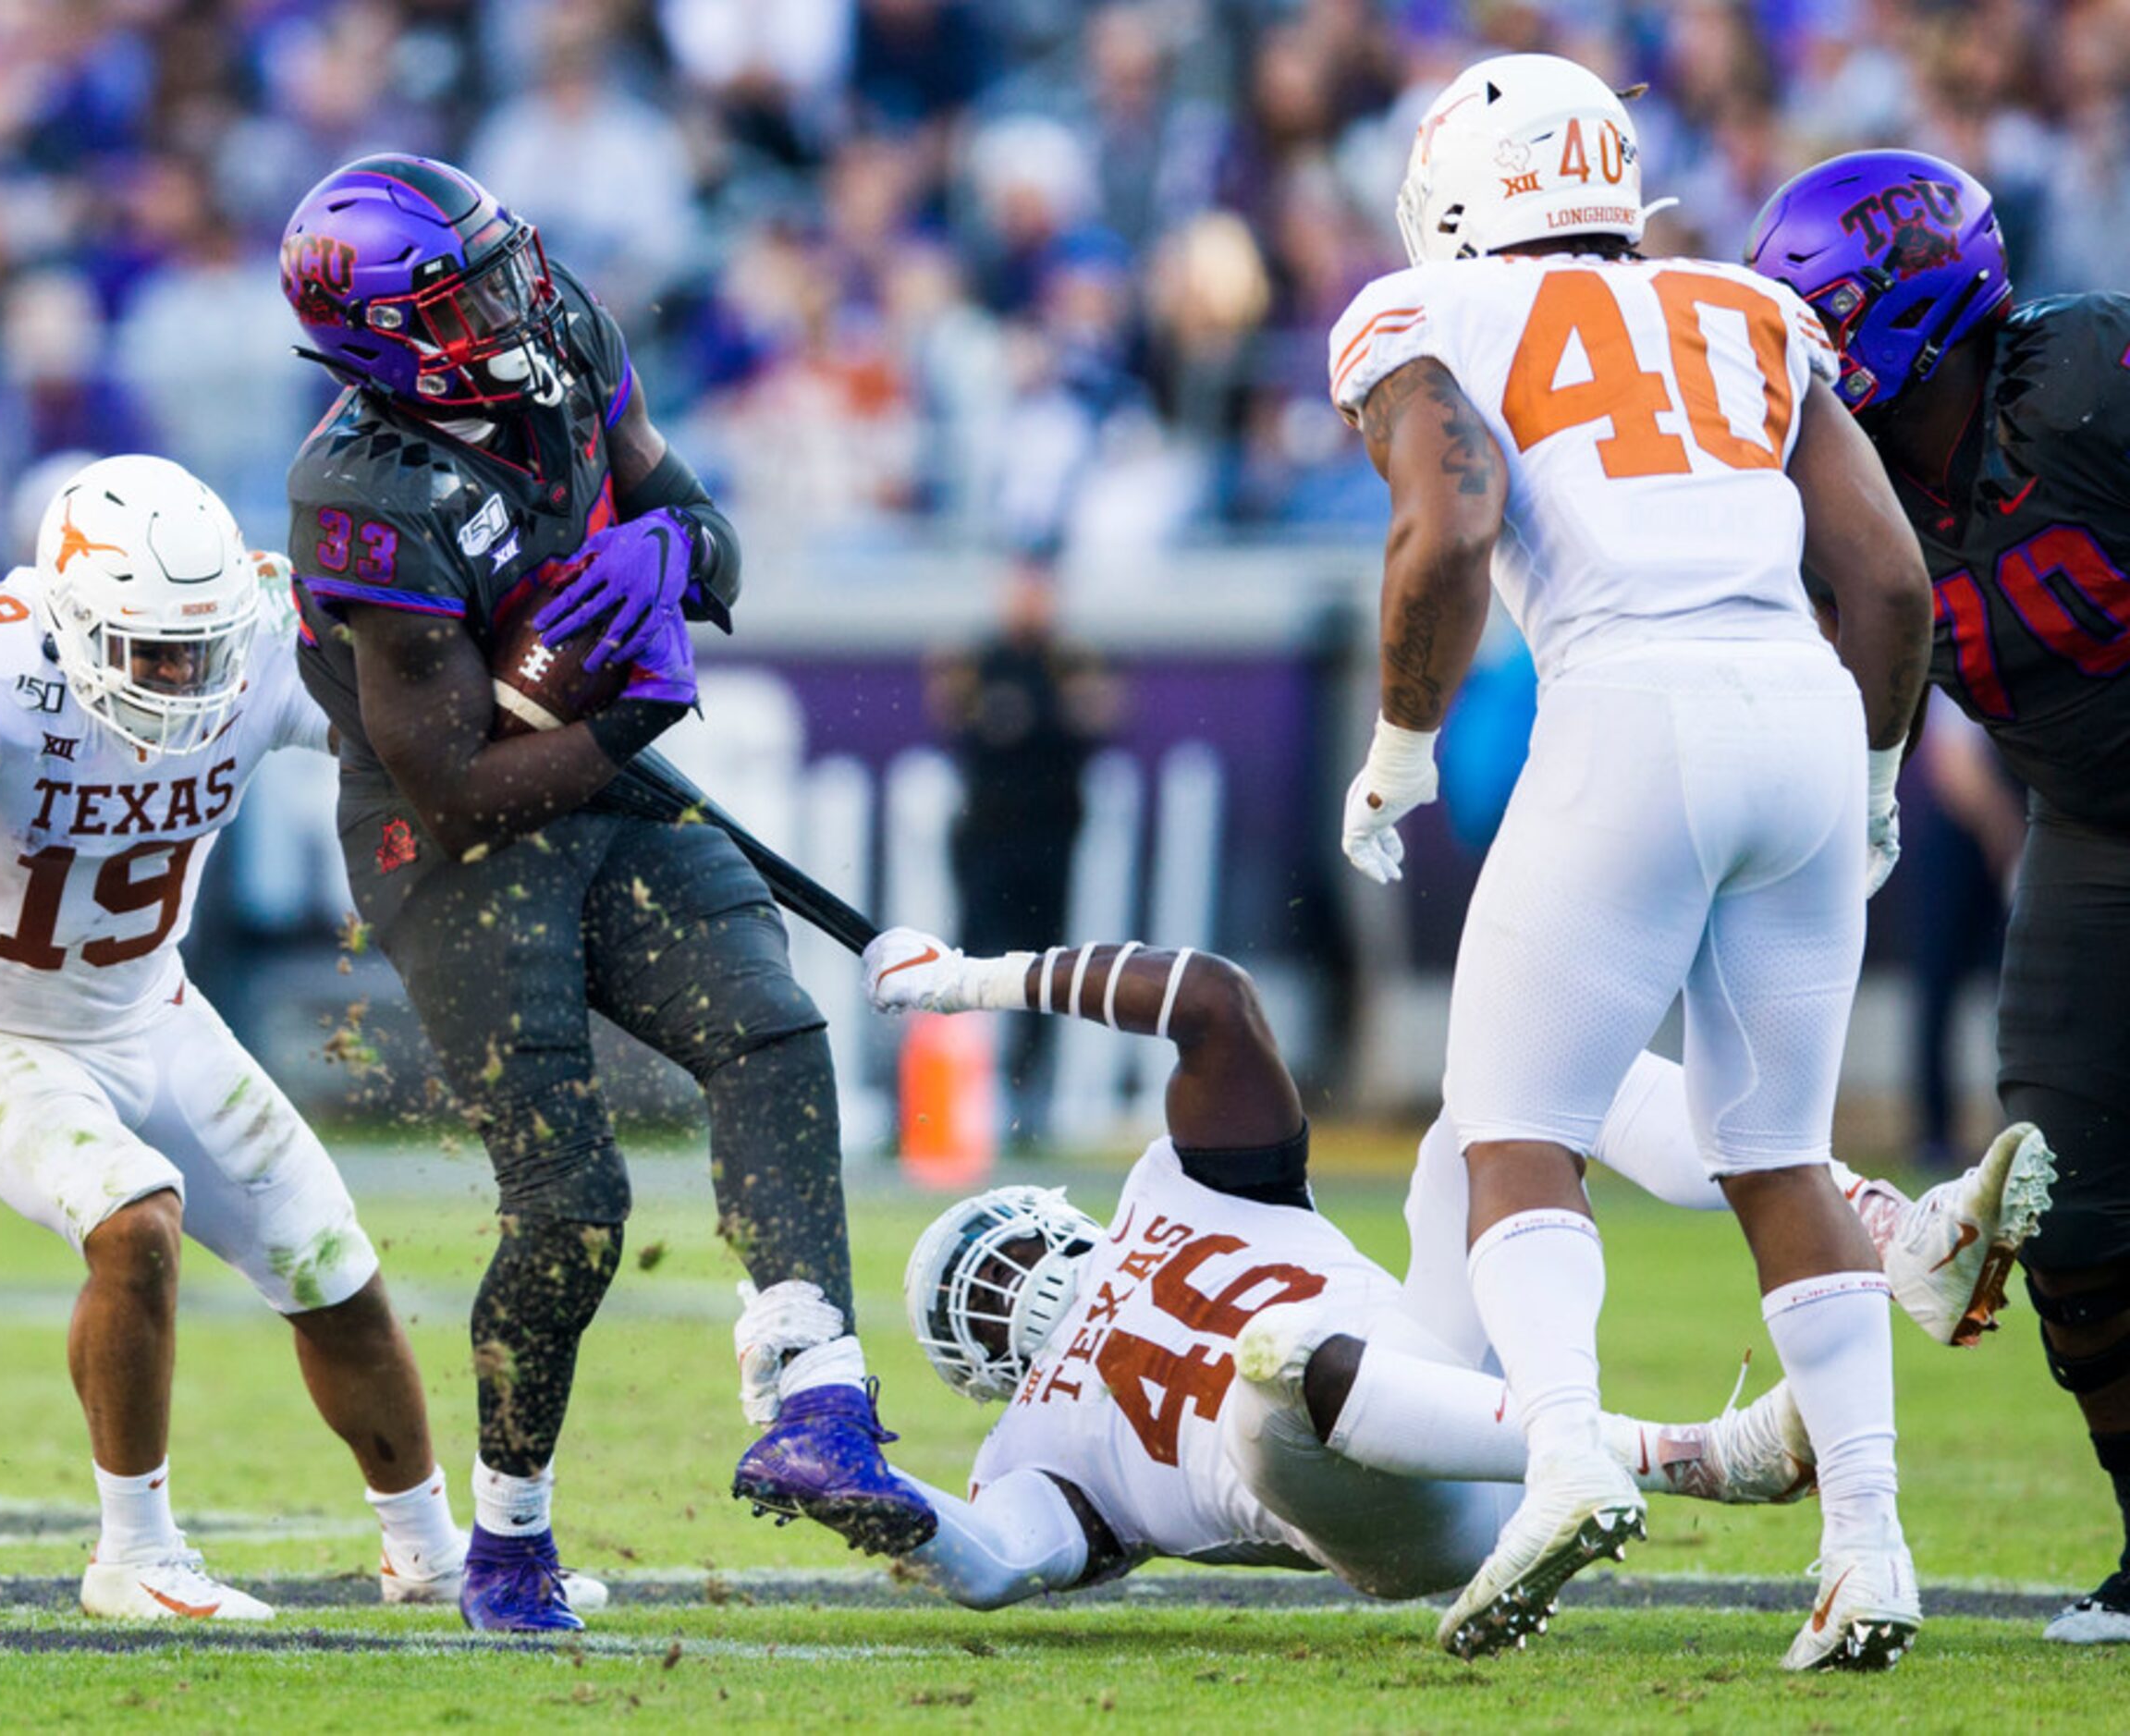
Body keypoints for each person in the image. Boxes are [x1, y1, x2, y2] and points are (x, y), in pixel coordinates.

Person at [1327, 56, 1938, 1668]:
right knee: (1778, 1151)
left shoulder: (1423, 309)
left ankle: (1569, 1447)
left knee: (1513, 1125)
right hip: (1802, 711)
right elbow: (1884, 581)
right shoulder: (1748, 305)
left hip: (1630, 703)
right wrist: (1872, 774)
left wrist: (1397, 746)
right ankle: (1869, 1544)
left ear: (1462, 193)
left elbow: (1448, 527)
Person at [276, 154, 930, 1633]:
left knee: (768, 1030)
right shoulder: (363, 493)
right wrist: (635, 711)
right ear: (387, 335)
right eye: (467, 291)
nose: (516, 300)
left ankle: (813, 1387)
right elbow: (452, 783)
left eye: (507, 264)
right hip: (447, 839)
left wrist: (665, 547)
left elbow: (704, 526)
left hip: (595, 769)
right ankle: (507, 1537)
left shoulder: (562, 334)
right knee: (572, 1202)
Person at [862, 927, 2047, 1622]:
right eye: (982, 1276)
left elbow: (1209, 1002)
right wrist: (857, 1493)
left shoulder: (1171, 1190)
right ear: (986, 1367)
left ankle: (1889, 1230)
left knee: (1507, 1091)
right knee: (1269, 1377)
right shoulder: (1029, 1451)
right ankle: (1691, 1455)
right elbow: (990, 1560)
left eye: (998, 1251)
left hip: (1441, 1370)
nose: (1007, 1280)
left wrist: (969, 976)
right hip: (1381, 1513)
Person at [0, 454, 487, 1624]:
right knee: (134, 1216)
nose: (182, 676)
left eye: (197, 648)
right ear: (72, 618)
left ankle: (430, 1553)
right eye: (152, 651)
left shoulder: (245, 631)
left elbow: (392, 729)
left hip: (153, 1011)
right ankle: (132, 1553)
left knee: (329, 1262)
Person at [1750, 149, 2130, 1644]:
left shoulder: (2090, 381)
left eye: (1816, 312)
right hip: (2094, 830)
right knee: (2069, 1208)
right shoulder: (1828, 489)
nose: (1796, 348)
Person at [927, 557, 1112, 1145]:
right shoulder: (982, 660)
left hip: (1049, 841)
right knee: (972, 960)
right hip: (988, 840)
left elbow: (1102, 712)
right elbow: (950, 706)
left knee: (1046, 970)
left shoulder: (1070, 659)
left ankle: (1028, 1103)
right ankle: (952, 1100)